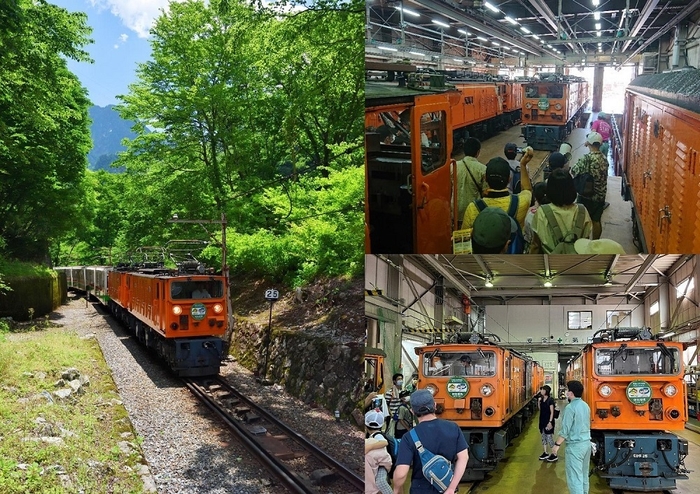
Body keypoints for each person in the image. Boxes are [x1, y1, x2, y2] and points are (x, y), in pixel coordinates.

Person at [392, 390, 469, 494]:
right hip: (446, 487)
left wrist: (397, 489)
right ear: (435, 405)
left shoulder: (408, 437)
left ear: (412, 411)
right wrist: (451, 488)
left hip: (420, 490)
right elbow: (463, 457)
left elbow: (401, 474)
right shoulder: (453, 428)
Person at [462, 152, 533, 233]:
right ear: (509, 179)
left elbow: (465, 238)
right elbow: (527, 189)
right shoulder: (521, 202)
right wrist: (523, 165)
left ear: (485, 178)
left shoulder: (473, 208)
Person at [529, 169, 592, 254]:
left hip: (550, 263)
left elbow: (536, 246)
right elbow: (586, 242)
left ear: (549, 190)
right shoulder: (583, 211)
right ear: (572, 189)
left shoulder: (542, 212)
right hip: (577, 262)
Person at [551, 380, 592, 494]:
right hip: (586, 444)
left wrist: (556, 445)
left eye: (568, 390)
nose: (566, 392)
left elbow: (565, 430)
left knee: (574, 478)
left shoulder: (570, 408)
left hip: (575, 447)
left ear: (571, 393)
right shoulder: (585, 405)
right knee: (584, 475)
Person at [570, 132, 608, 240]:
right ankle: (595, 242)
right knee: (596, 220)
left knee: (582, 221)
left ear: (589, 143)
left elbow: (574, 171)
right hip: (600, 195)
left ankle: (583, 242)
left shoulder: (587, 158)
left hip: (587, 195)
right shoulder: (604, 159)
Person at [455, 137, 487, 227]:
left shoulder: (453, 167)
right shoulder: (483, 169)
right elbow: (485, 192)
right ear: (478, 152)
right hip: (473, 210)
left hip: (455, 210)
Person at [365, 409, 394, 494]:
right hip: (382, 467)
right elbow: (388, 462)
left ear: (366, 427)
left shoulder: (376, 438)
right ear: (382, 425)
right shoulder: (376, 438)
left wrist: (370, 446)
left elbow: (384, 442)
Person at [523, 181, 549, 253]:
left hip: (536, 253)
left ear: (535, 197)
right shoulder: (556, 212)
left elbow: (528, 238)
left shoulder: (531, 216)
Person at [537, 385, 557, 461]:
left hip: (548, 421)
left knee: (549, 438)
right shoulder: (541, 399)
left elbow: (552, 412)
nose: (541, 391)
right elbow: (540, 409)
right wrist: (538, 402)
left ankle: (554, 454)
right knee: (543, 437)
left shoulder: (550, 400)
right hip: (542, 421)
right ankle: (545, 453)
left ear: (546, 391)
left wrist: (550, 422)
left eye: (542, 390)